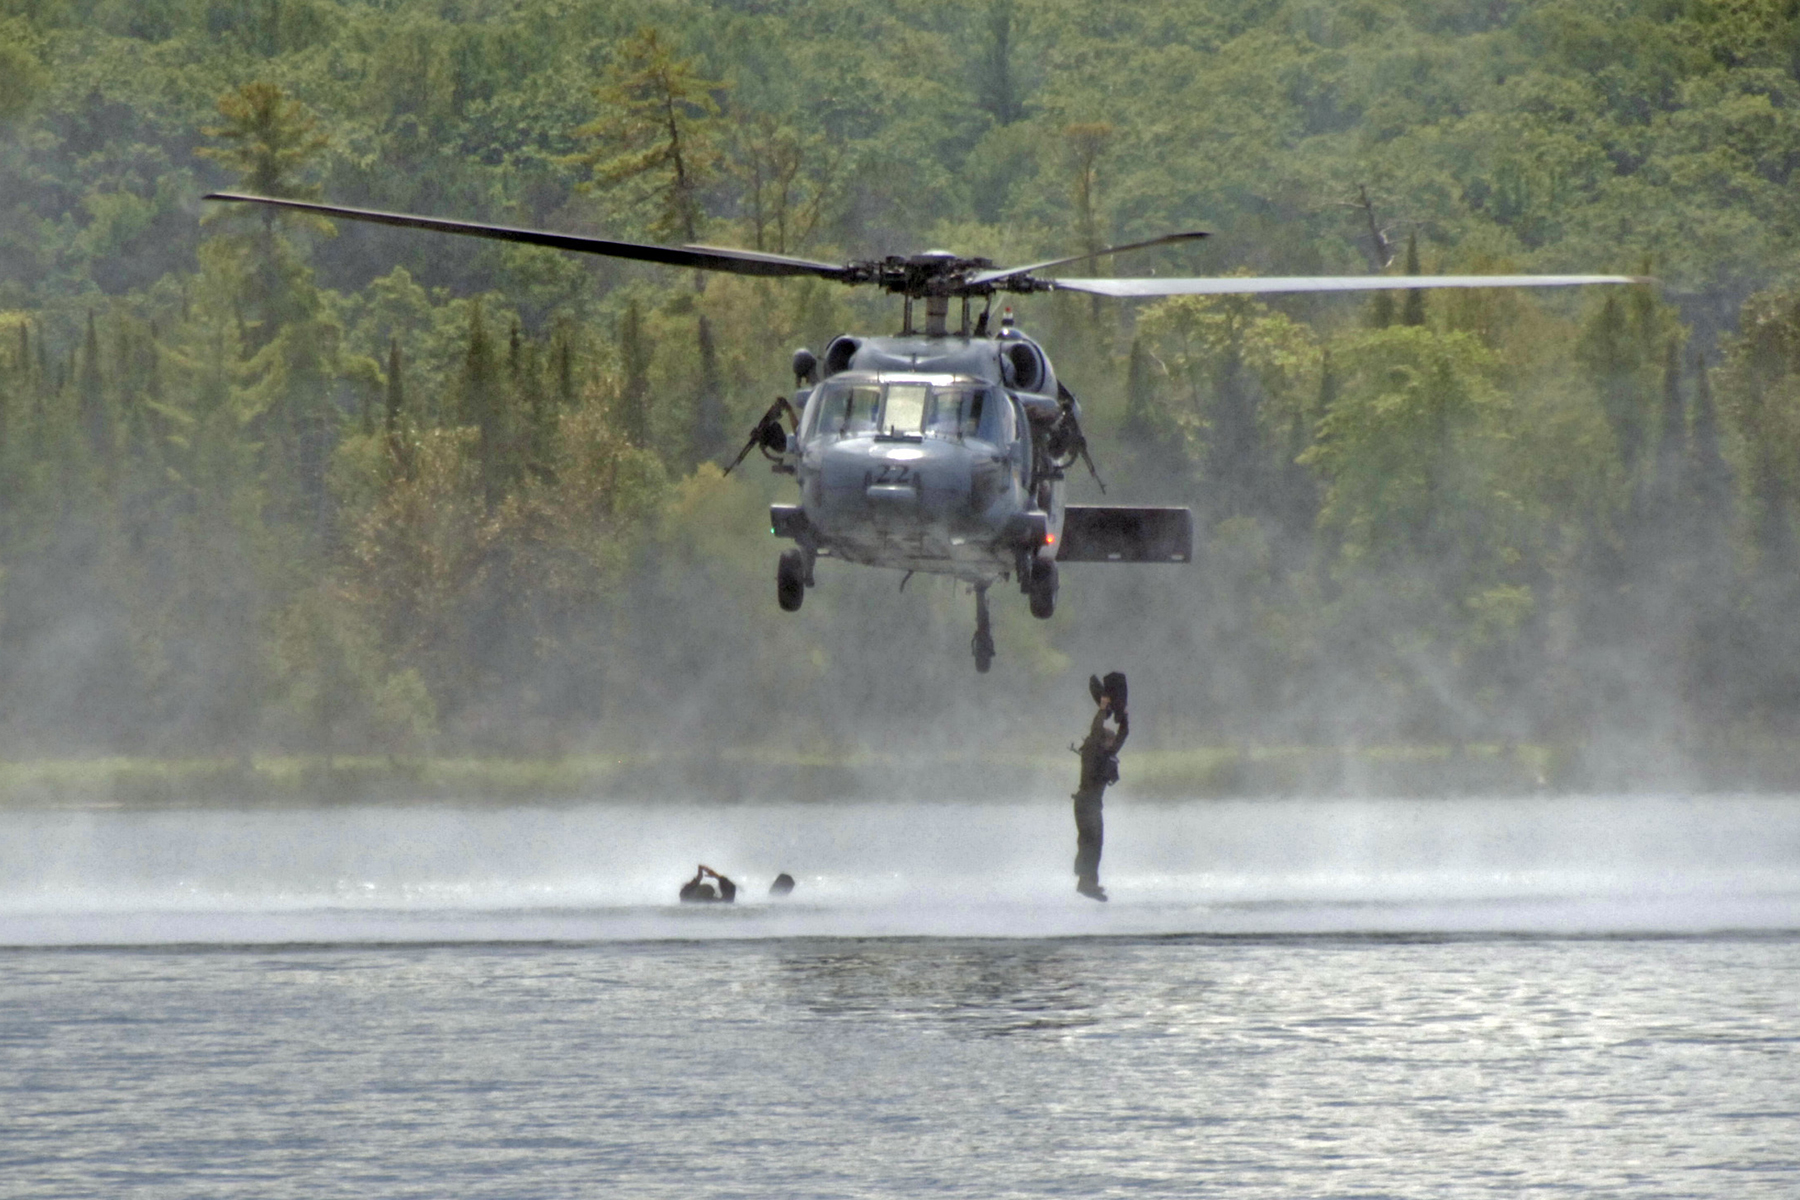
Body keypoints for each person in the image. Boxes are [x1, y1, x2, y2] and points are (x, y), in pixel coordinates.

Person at [1071, 671, 1128, 901]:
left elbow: (1124, 734)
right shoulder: (1094, 750)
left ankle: (1089, 882)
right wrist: (1102, 709)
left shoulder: (1107, 752)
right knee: (1090, 841)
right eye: (1110, 739)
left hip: (1093, 805)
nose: (1114, 742)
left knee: (1096, 843)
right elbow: (1096, 731)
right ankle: (1085, 883)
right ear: (1103, 741)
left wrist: (1123, 715)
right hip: (1086, 804)